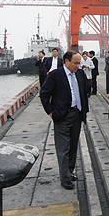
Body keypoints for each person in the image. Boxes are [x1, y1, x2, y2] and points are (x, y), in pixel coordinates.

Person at [40, 51, 88, 189]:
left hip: (77, 114)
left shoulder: (79, 74)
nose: (77, 66)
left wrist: (84, 111)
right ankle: (65, 178)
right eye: (75, 63)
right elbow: (44, 94)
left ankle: (70, 171)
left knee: (73, 146)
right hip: (62, 116)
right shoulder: (55, 75)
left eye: (79, 63)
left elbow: (83, 93)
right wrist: (51, 112)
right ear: (66, 61)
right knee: (63, 148)